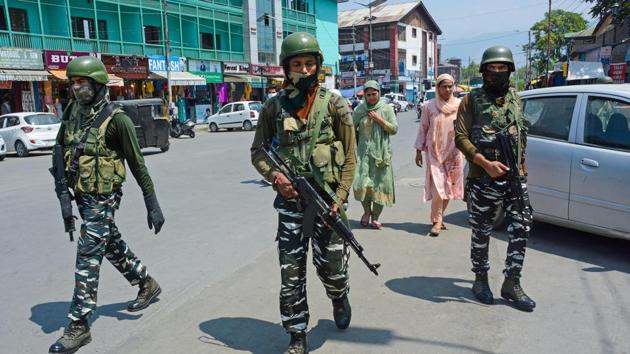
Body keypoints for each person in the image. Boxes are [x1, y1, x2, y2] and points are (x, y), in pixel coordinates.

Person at [48, 56, 165, 353]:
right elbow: (60, 146)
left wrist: (151, 202)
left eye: (82, 83)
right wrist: (62, 191)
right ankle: (146, 283)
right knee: (109, 243)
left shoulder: (118, 119)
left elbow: (138, 164)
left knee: (88, 254)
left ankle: (79, 325)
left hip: (104, 197)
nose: (77, 89)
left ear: (99, 84)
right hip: (82, 194)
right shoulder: (74, 111)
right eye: (73, 83)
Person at [250, 32, 356, 354]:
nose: (305, 69)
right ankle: (297, 334)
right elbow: (257, 151)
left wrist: (338, 199)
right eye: (298, 63)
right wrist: (275, 177)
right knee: (291, 273)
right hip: (291, 207)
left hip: (327, 205)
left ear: (319, 66)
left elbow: (350, 158)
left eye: (310, 63)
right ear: (286, 67)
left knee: (332, 270)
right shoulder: (273, 108)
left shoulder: (335, 104)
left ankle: (339, 295)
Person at [455, 46, 536, 312]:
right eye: (493, 68)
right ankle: (480, 279)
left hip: (515, 177)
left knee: (522, 226)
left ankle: (512, 282)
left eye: (503, 68)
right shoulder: (471, 100)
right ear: (484, 71)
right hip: (483, 178)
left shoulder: (516, 98)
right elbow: (461, 137)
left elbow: (521, 135)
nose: (498, 73)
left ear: (510, 70)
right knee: (482, 230)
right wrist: (485, 163)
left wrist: (522, 167)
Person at [415, 74, 464, 236]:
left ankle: (438, 217)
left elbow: (465, 129)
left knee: (448, 187)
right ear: (438, 88)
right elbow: (423, 128)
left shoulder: (460, 105)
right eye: (444, 86)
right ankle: (437, 221)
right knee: (438, 188)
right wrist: (418, 151)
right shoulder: (429, 106)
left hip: (454, 152)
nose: (448, 89)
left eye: (451, 86)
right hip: (434, 152)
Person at [352, 80, 398, 229]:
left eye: (374, 94)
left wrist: (379, 120)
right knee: (362, 184)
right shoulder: (359, 110)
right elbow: (350, 127)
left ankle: (376, 217)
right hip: (363, 154)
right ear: (364, 95)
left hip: (381, 155)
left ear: (379, 93)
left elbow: (394, 129)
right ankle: (366, 212)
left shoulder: (386, 109)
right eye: (368, 94)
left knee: (379, 185)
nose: (371, 97)